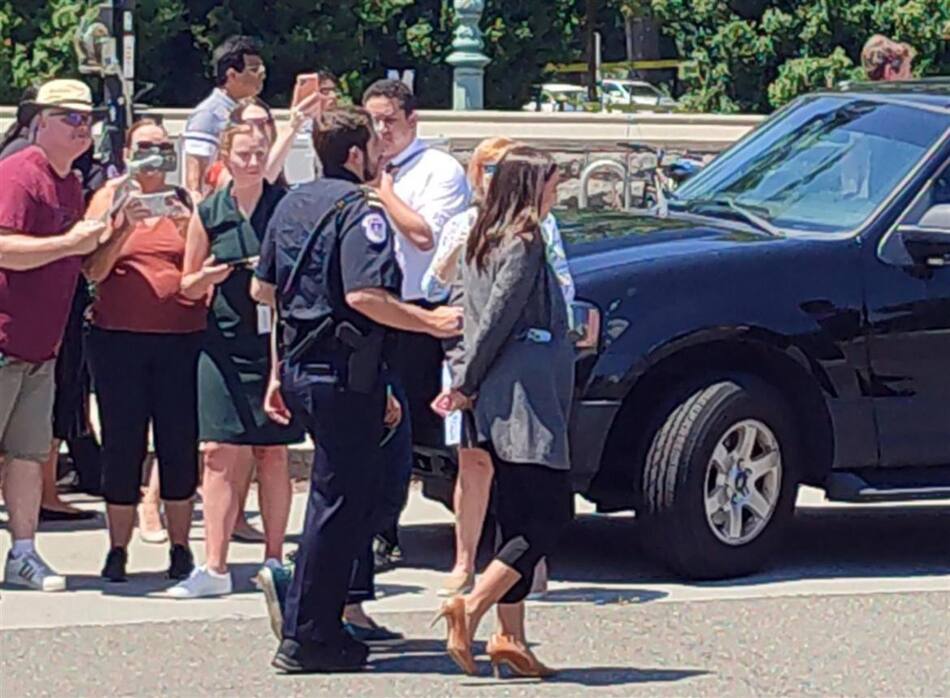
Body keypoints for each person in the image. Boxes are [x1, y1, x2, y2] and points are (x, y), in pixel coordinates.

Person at [250, 106, 462, 673]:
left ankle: (310, 621)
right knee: (339, 504)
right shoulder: (360, 212)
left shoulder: (290, 203)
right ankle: (308, 635)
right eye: (373, 147)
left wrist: (279, 368)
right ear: (353, 155)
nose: (380, 158)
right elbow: (367, 296)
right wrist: (433, 323)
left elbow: (261, 288)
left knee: (335, 498)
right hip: (342, 375)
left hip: (304, 370)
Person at [431, 146, 574, 678]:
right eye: (552, 183)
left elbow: (474, 318)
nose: (557, 192)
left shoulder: (481, 238)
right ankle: (470, 609)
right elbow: (493, 318)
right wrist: (464, 382)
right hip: (522, 395)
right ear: (530, 187)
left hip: (498, 388)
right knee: (551, 515)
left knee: (513, 515)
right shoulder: (524, 240)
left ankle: (511, 638)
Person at [170, 122, 303, 598]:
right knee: (218, 453)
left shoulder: (284, 207)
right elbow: (184, 285)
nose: (250, 161)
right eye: (242, 153)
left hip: (273, 342)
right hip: (222, 343)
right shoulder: (210, 211)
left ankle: (273, 558)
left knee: (273, 453)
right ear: (225, 157)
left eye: (258, 153)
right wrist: (208, 275)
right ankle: (215, 566)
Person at [82, 119, 205, 582]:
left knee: (178, 442)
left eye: (161, 146)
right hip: (118, 340)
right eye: (145, 146)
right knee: (122, 441)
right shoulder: (110, 197)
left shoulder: (186, 201)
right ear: (128, 151)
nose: (154, 155)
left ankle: (180, 546)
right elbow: (92, 271)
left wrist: (186, 226)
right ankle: (118, 549)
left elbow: (201, 266)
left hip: (181, 339)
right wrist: (122, 231)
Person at [0, 79, 107, 591]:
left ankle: (23, 552)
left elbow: (84, 264)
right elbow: (3, 248)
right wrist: (70, 241)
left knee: (27, 455)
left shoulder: (70, 182)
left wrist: (115, 228)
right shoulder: (20, 173)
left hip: (39, 346)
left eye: (86, 118)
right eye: (69, 117)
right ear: (38, 121)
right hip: (4, 340)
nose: (81, 127)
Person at [362, 79, 470, 568]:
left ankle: (403, 527)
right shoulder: (360, 162)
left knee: (407, 426)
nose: (380, 130)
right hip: (370, 308)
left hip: (420, 313)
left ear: (412, 120)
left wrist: (382, 190)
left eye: (388, 119)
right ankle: (375, 525)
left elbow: (426, 236)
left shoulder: (438, 171)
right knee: (371, 425)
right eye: (373, 121)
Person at [183, 35, 266, 200]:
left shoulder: (251, 108)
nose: (262, 75)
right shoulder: (208, 114)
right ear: (232, 75)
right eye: (254, 69)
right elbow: (195, 178)